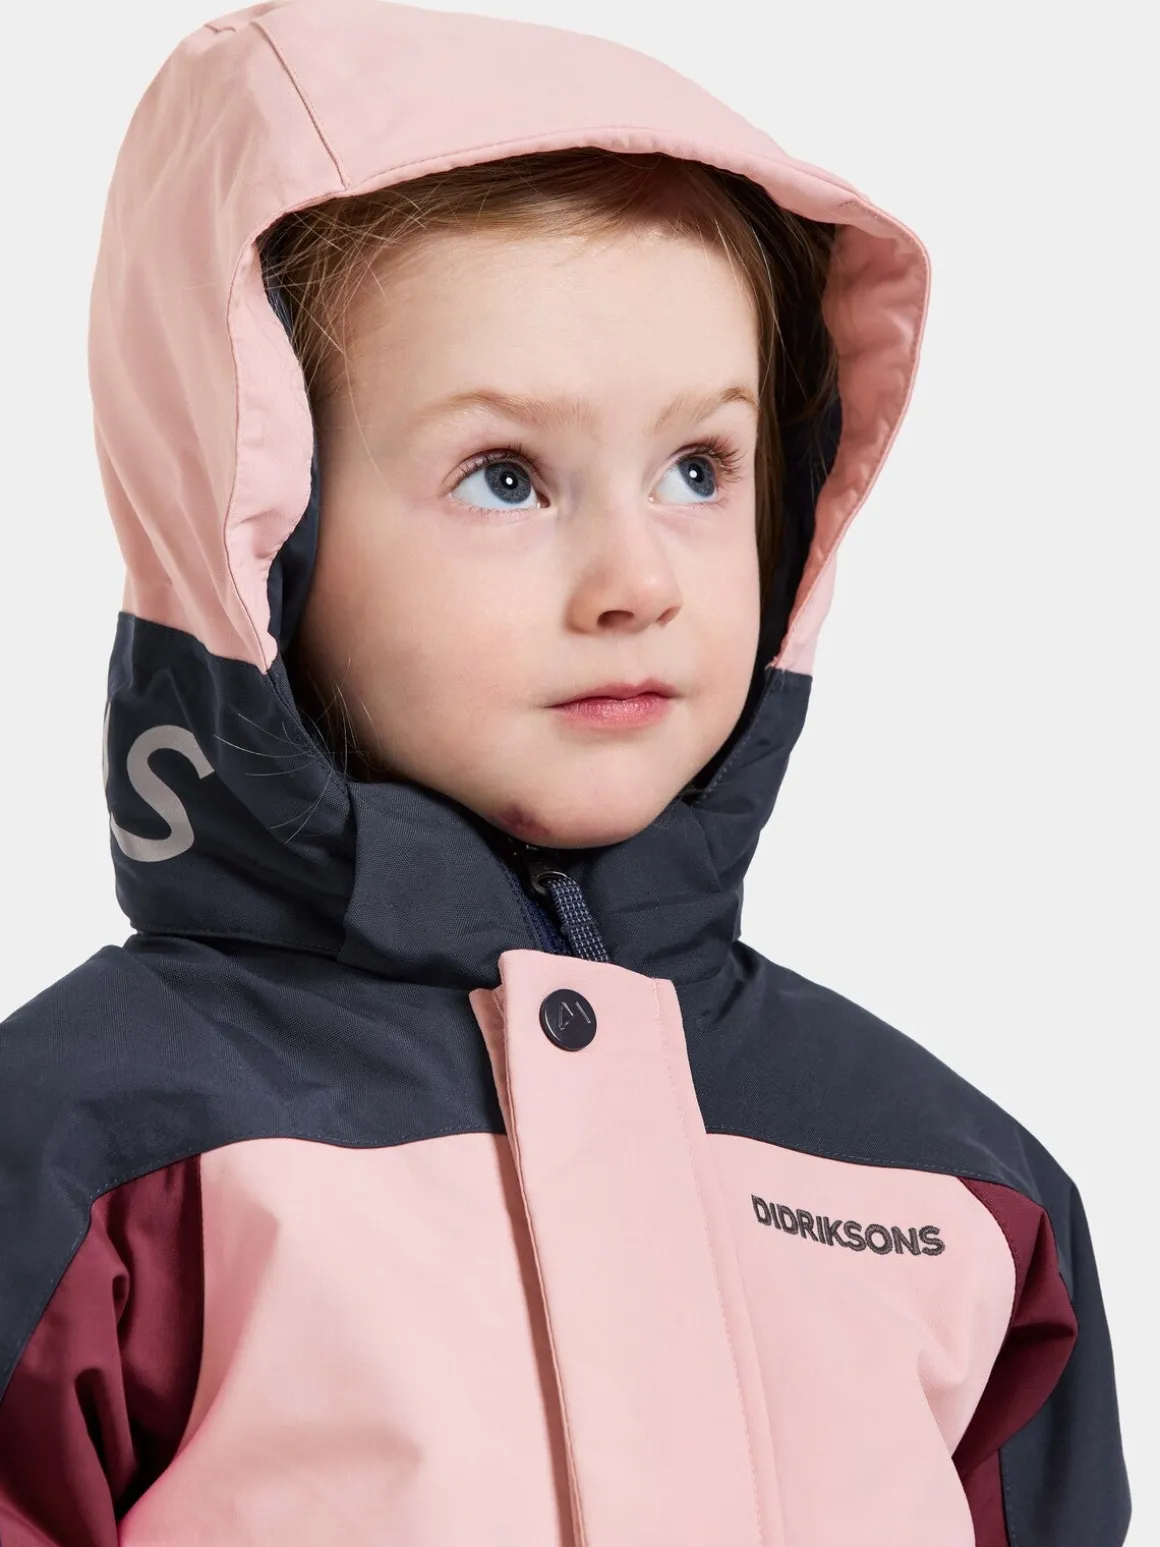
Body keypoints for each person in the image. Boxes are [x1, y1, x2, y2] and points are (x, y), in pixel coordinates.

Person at [0, 1, 1130, 1543]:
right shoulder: (93, 1159)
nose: (635, 581)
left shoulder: (963, 1195)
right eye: (506, 477)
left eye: (698, 469)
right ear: (259, 526)